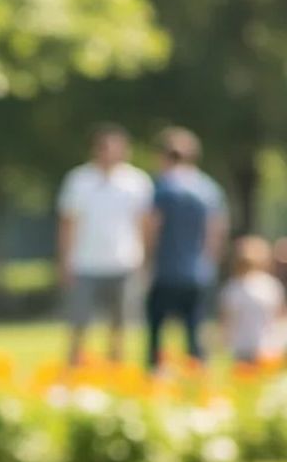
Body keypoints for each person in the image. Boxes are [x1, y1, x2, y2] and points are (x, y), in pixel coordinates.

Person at [56, 124, 154, 365]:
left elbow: (144, 224)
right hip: (85, 262)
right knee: (78, 322)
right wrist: (65, 260)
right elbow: (68, 224)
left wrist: (145, 259)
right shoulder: (79, 180)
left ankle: (115, 368)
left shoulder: (137, 181)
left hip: (124, 261)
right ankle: (74, 367)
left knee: (120, 324)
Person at [144, 126, 228, 370]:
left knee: (156, 330)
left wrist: (146, 261)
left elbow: (152, 228)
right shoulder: (208, 188)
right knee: (194, 328)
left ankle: (156, 373)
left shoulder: (161, 188)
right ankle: (197, 372)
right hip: (197, 270)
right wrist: (210, 261)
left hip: (164, 269)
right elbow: (216, 230)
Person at [218, 235, 286, 364]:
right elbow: (280, 317)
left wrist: (225, 343)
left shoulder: (231, 288)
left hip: (240, 348)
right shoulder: (271, 286)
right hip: (268, 348)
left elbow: (225, 323)